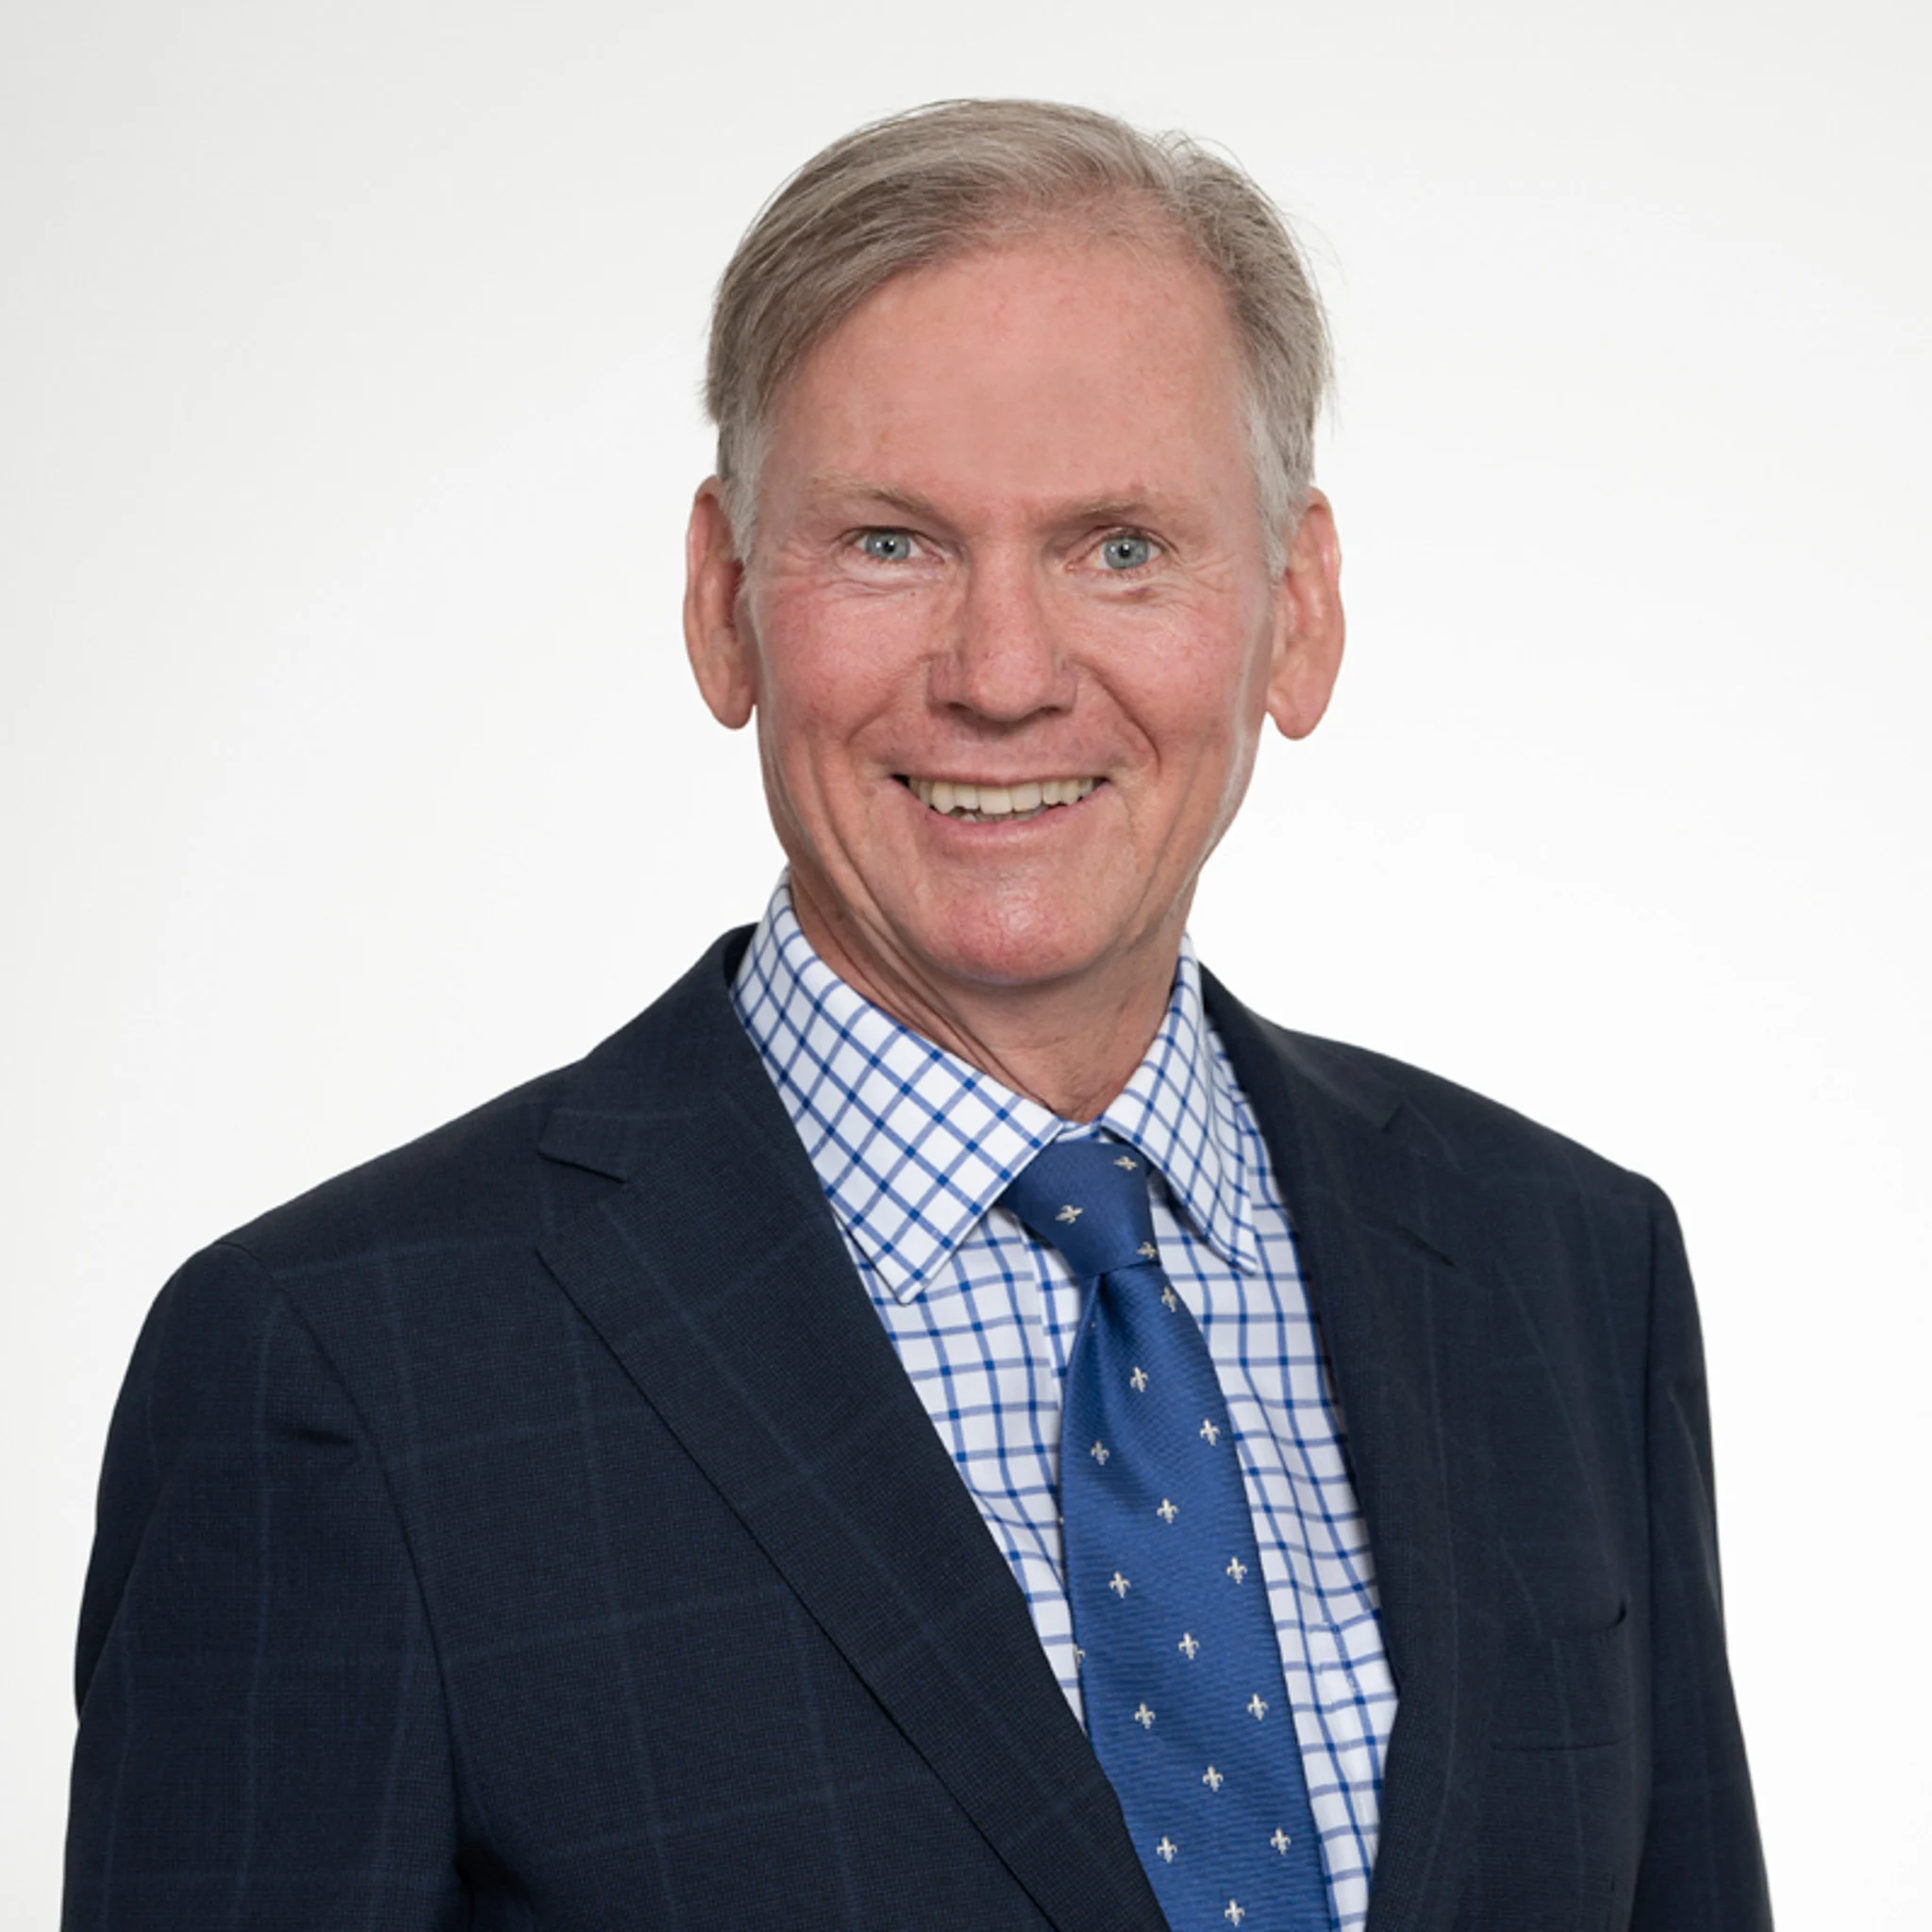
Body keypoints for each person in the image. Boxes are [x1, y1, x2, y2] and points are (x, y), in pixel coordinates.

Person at [63, 99, 1771, 1932]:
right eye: (889, 544)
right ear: (725, 606)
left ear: (1296, 610)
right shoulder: (343, 1374)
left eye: (1119, 545)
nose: (1004, 676)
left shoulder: (1564, 1273)